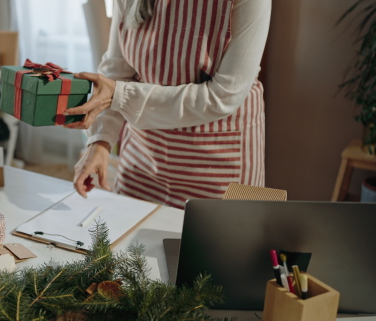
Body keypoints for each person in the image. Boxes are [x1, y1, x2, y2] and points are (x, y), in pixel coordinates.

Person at [63, 0, 271, 209]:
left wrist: (120, 95)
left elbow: (224, 96)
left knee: (219, 240)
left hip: (220, 165)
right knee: (132, 238)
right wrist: (101, 140)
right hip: (142, 159)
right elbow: (117, 71)